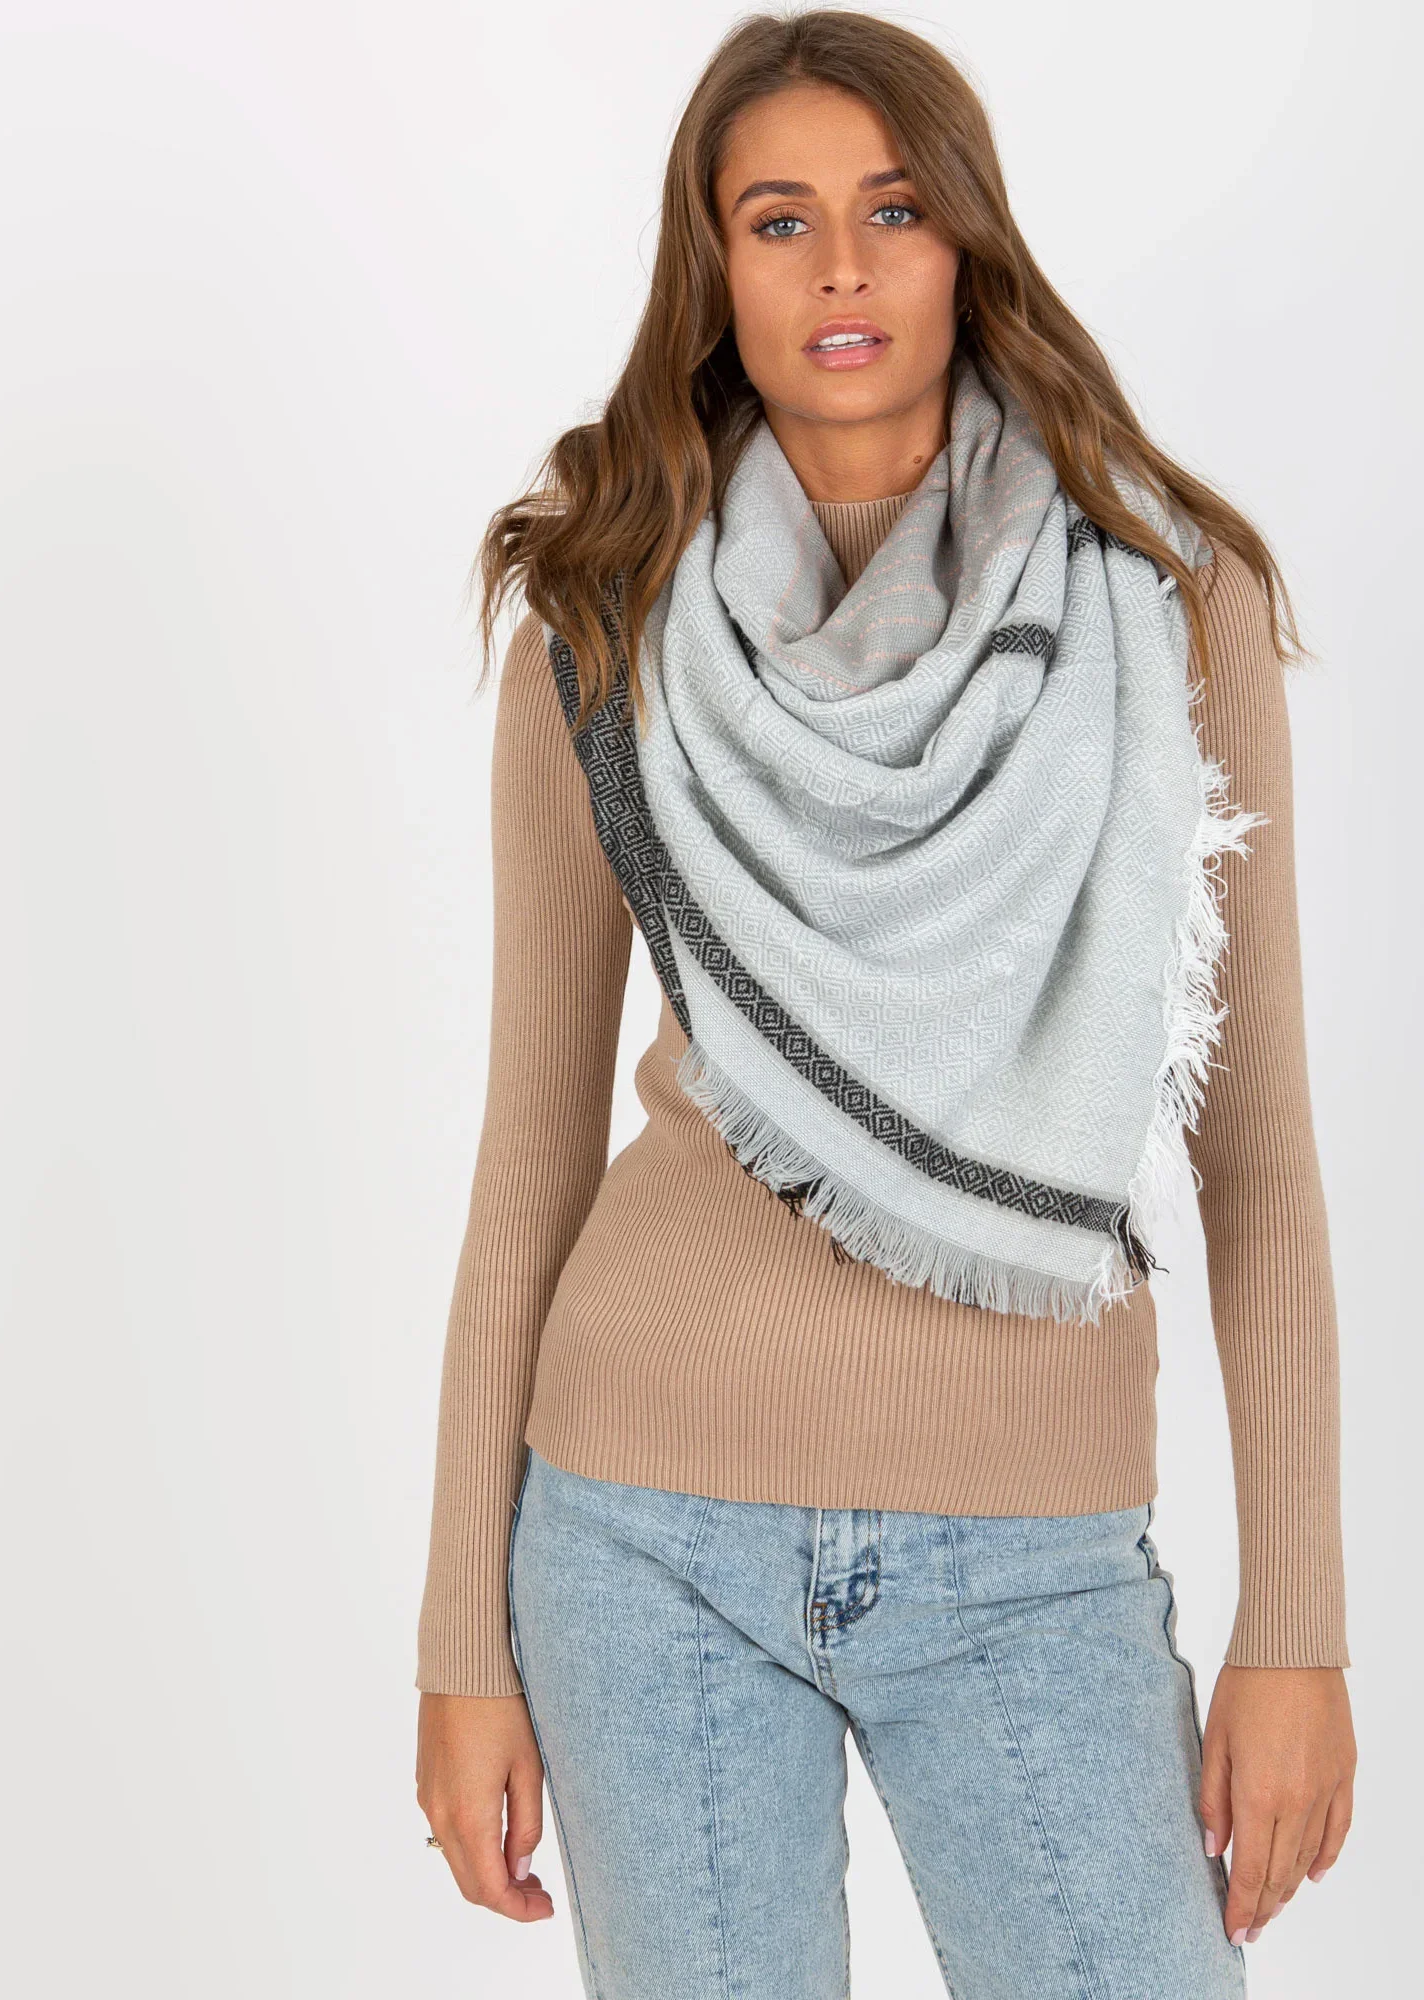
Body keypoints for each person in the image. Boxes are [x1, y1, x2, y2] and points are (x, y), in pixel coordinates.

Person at [414, 12, 1354, 1996]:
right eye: (780, 220)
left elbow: (1256, 1160)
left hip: (1035, 1556)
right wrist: (456, 1648)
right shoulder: (601, 618)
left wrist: (1300, 1630)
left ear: (966, 241)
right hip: (639, 1532)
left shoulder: (1161, 604)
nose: (841, 268)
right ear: (716, 265)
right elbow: (528, 1160)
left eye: (894, 210)